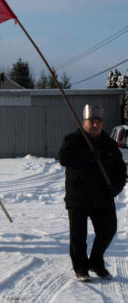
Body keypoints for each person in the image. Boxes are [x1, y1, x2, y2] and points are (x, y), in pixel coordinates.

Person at [59, 104, 126, 282]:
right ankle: (81, 268)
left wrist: (116, 187)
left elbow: (120, 169)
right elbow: (64, 158)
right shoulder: (72, 140)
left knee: (109, 229)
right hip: (78, 196)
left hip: (103, 196)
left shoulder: (110, 144)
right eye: (92, 122)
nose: (95, 125)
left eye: (98, 122)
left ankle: (96, 261)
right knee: (78, 236)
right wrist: (88, 156)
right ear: (83, 123)